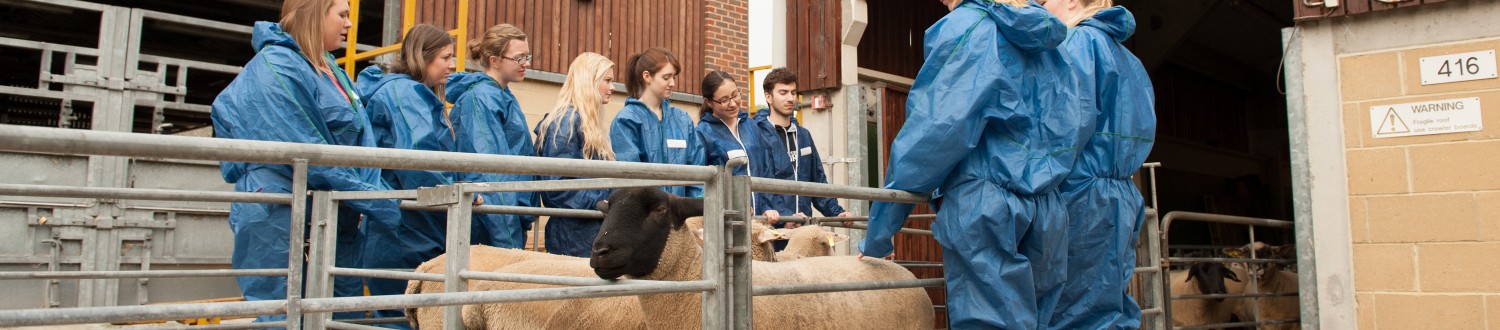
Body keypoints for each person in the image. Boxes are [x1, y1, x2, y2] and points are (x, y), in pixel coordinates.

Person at [857, 0, 1090, 329]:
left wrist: (879, 234)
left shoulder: (970, 26)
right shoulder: (1053, 43)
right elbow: (1080, 121)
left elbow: (933, 134)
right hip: (1047, 208)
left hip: (987, 205)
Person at [210, 0, 400, 323]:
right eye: (342, 15)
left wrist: (369, 194)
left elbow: (355, 139)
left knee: (339, 313)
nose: (350, 25)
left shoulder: (329, 67)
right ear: (314, 14)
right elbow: (306, 146)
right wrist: (375, 199)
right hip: (279, 210)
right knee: (282, 312)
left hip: (331, 209)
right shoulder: (278, 65)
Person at [1041, 0, 1157, 328]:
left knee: (1072, 311)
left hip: (1079, 194)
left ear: (1071, 2)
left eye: (1044, 0)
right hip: (1120, 195)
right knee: (1110, 304)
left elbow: (1064, 126)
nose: (1038, 7)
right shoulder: (1129, 60)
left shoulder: (1075, 44)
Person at [352, 23, 460, 325]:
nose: (452, 66)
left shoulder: (410, 92)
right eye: (445, 57)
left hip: (406, 228)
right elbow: (418, 160)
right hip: (405, 230)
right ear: (421, 57)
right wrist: (455, 194)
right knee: (402, 318)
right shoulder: (406, 94)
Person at [447, 24, 538, 249]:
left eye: (527, 56)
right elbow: (489, 173)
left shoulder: (500, 95)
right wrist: (507, 240)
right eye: (519, 58)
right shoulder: (481, 99)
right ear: (494, 60)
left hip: (509, 214)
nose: (527, 63)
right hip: (495, 222)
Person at [749, 67, 849, 244]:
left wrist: (836, 212)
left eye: (793, 93)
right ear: (768, 96)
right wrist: (785, 218)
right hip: (773, 232)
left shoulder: (804, 135)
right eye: (783, 92)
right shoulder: (756, 134)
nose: (790, 98)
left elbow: (817, 181)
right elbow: (759, 184)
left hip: (802, 229)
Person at [533, 52, 617, 257]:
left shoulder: (588, 124)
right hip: (573, 235)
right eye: (607, 81)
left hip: (589, 230)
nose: (613, 87)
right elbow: (558, 185)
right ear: (589, 82)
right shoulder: (565, 123)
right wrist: (598, 202)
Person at [609, 47, 704, 198]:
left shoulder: (683, 120)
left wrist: (694, 208)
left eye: (674, 77)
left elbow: (698, 171)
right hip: (646, 217)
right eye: (666, 78)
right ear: (647, 76)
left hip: (681, 216)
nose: (672, 83)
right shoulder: (626, 120)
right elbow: (630, 177)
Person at [695, 71, 759, 177]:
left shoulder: (751, 125)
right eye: (724, 100)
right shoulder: (703, 134)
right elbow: (700, 180)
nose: (733, 104)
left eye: (735, 95)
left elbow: (766, 167)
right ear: (709, 102)